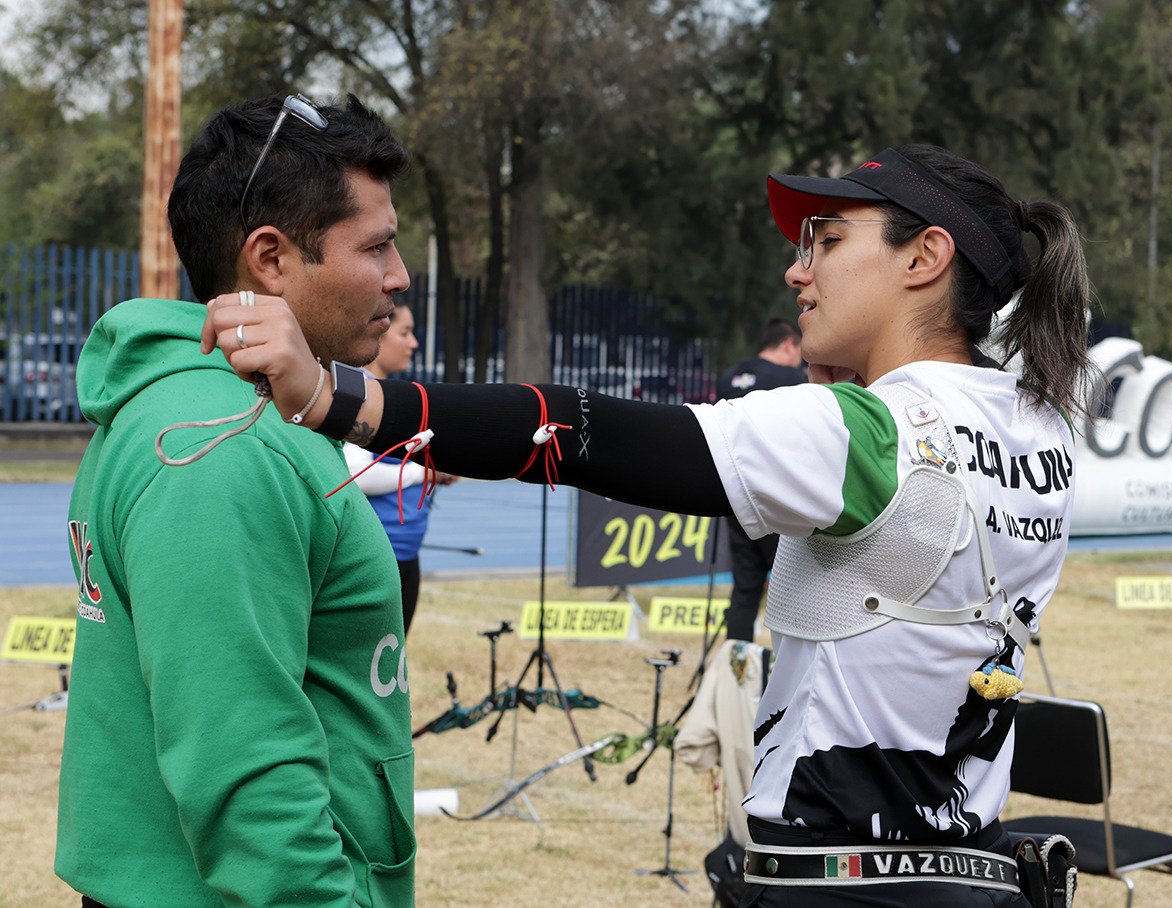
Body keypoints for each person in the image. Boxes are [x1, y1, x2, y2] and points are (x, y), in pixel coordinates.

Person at [206, 144, 1092, 907]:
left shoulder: (869, 433)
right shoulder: (1037, 421)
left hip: (844, 878)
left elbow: (588, 432)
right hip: (973, 869)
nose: (797, 271)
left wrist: (332, 395)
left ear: (925, 256)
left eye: (826, 240)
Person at [59, 94, 417, 907]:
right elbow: (246, 772)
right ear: (271, 257)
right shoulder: (224, 451)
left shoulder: (203, 416)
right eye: (379, 245)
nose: (398, 276)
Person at [345, 301, 456, 634]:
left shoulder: (385, 392)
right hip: (378, 552)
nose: (414, 343)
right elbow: (355, 474)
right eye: (405, 332)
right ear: (379, 327)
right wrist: (424, 473)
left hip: (404, 551)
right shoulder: (359, 390)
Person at [717, 318, 807, 641]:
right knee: (793, 589)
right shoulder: (792, 378)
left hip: (734, 493)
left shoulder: (728, 377)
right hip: (775, 496)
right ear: (788, 345)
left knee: (745, 588)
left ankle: (735, 672)